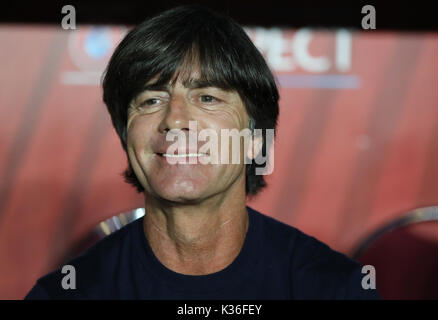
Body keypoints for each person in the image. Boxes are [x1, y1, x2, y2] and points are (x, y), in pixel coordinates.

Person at [25, 5, 381, 300]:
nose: (175, 120)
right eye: (151, 100)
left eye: (207, 98)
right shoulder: (65, 294)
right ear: (125, 137)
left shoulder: (335, 290)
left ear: (256, 139)